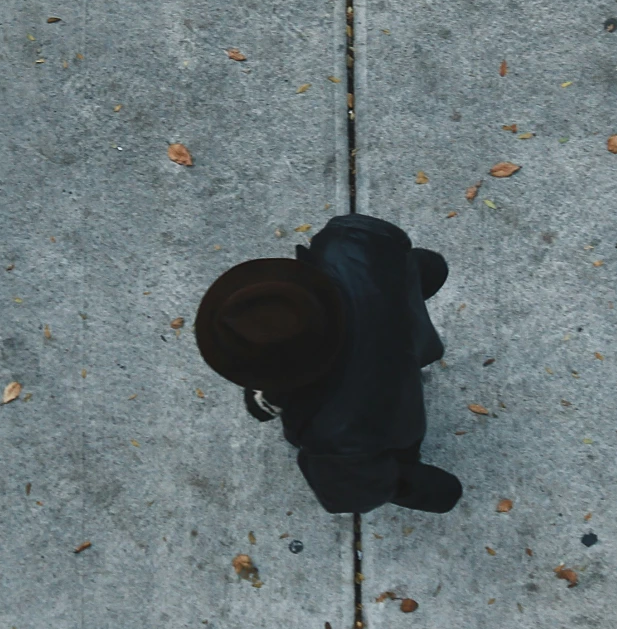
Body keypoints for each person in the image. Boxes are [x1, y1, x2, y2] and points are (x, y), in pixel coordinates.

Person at [193, 213, 462, 516]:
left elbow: (351, 492)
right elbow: (406, 256)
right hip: (403, 333)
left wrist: (415, 487)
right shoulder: (343, 242)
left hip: (393, 418)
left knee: (392, 459)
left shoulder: (336, 433)